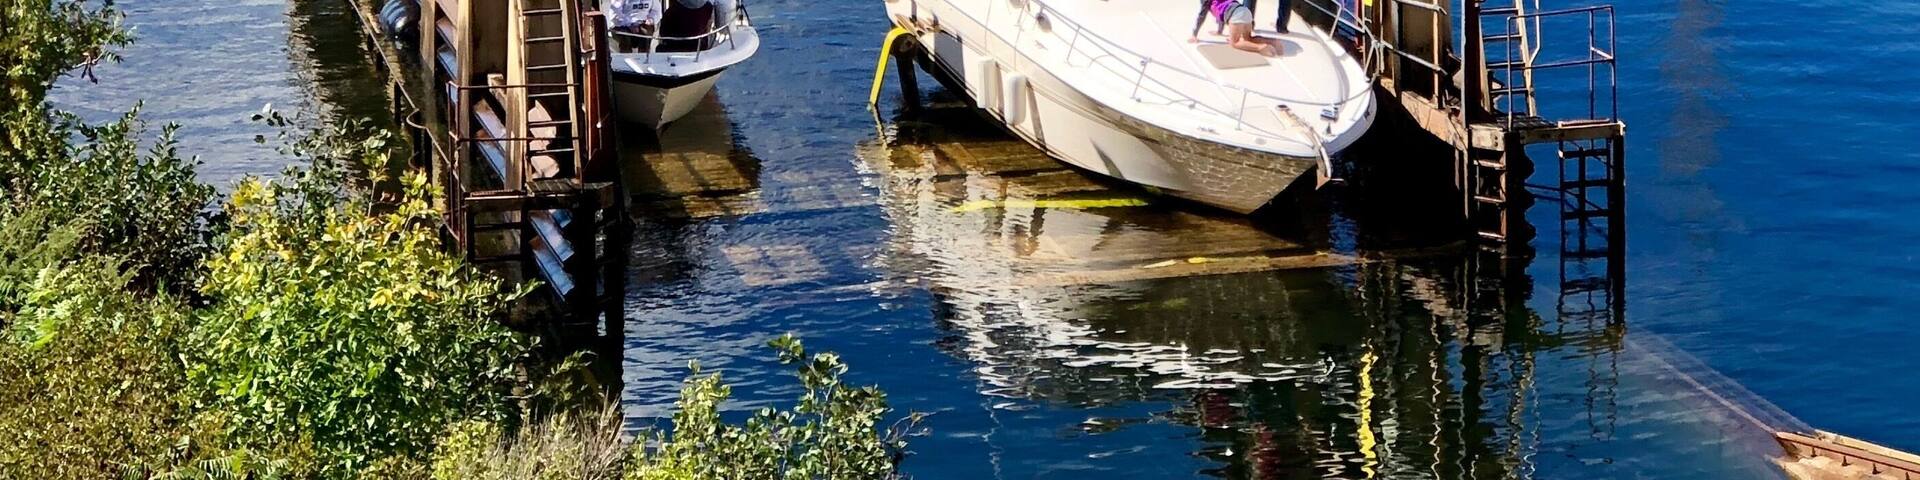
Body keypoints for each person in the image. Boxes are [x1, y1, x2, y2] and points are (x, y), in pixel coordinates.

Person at [1189, 0, 1279, 57]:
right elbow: (1220, 16)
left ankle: (1261, 47)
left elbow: (1202, 15)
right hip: (1245, 11)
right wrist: (1219, 31)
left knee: (1234, 43)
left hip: (1235, 15)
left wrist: (1194, 34)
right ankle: (1273, 42)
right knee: (1248, 38)